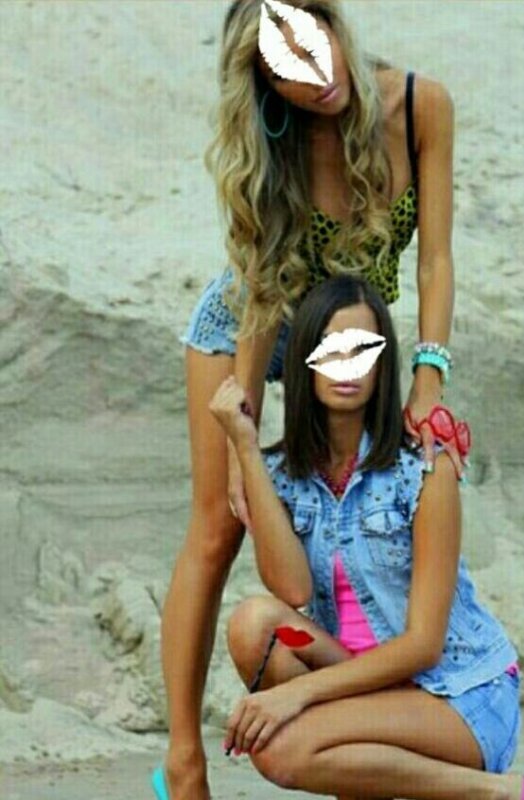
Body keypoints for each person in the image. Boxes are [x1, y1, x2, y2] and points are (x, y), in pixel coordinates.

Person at [155, 2, 459, 798]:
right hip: (251, 322)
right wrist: (243, 433)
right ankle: (182, 764)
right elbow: (262, 289)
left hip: (349, 334)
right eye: (282, 68)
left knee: (363, 507)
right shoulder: (278, 145)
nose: (312, 74)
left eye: (313, 42)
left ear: (331, 23)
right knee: (220, 525)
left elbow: (434, 261)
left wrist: (428, 377)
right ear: (265, 85)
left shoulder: (420, 105)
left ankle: (372, 716)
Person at [210, 275, 524, 800]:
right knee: (254, 625)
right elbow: (292, 590)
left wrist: (296, 696)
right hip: (365, 685)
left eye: (362, 350)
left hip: (458, 695)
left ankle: (499, 793)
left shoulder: (424, 468)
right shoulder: (285, 476)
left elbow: (424, 645)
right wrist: (245, 450)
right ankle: (363, 776)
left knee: (280, 750)